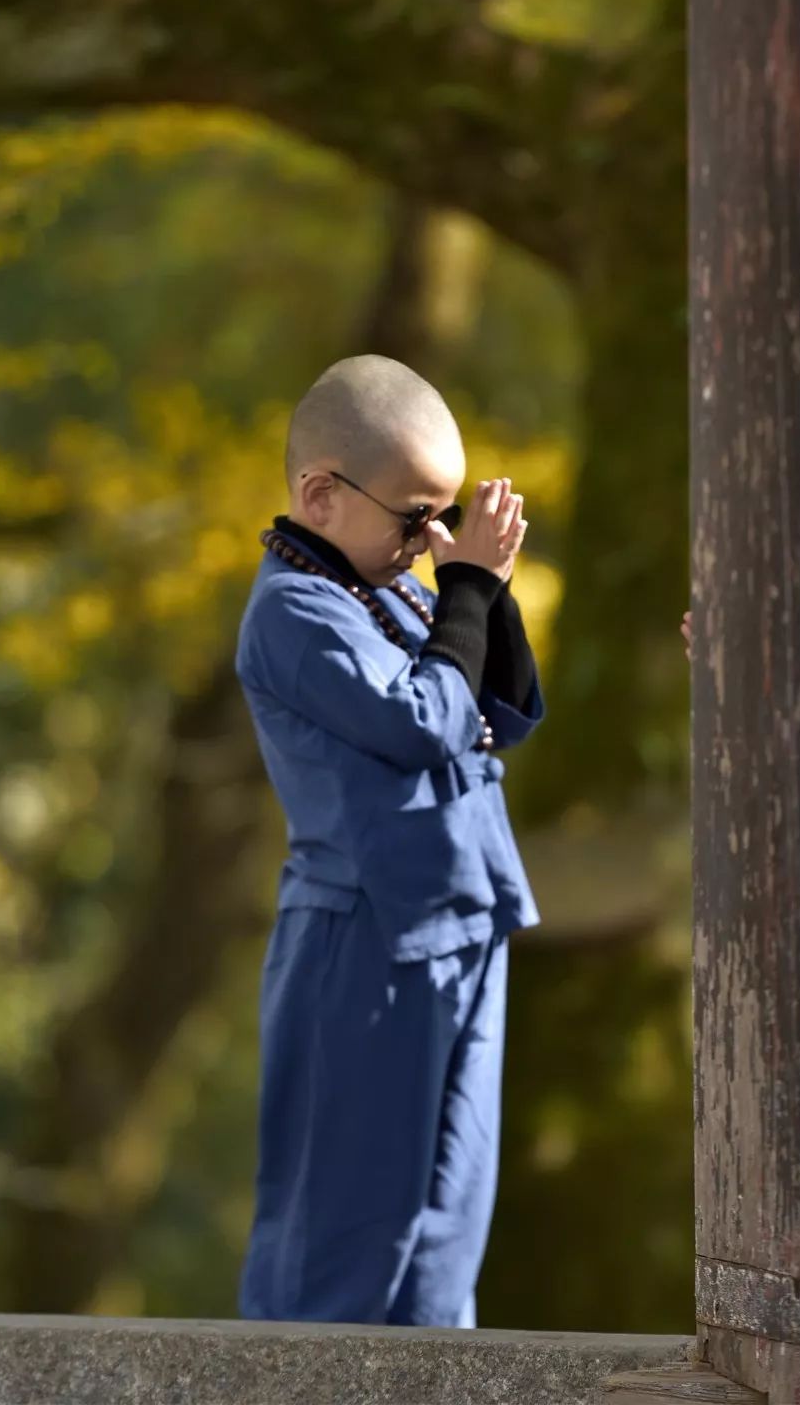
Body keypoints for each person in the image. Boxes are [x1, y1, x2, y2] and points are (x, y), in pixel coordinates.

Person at [234, 354, 544, 1328]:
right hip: (365, 943)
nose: (432, 541)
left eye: (445, 517)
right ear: (319, 494)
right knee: (345, 1236)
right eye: (414, 518)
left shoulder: (402, 592)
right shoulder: (294, 610)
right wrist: (462, 588)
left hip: (463, 926)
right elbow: (417, 722)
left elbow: (497, 713)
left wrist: (480, 589)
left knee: (444, 1241)